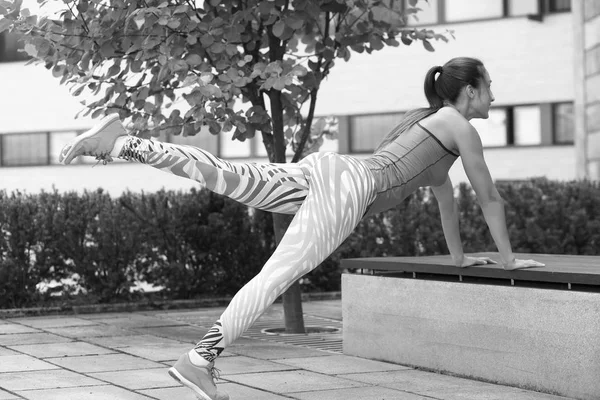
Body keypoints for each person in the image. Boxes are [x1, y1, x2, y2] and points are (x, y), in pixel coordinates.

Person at [59, 56, 545, 400]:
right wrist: (508, 260)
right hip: (349, 191)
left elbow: (447, 201)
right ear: (472, 90)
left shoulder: (430, 126)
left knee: (230, 176)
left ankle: (122, 145)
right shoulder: (461, 126)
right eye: (489, 87)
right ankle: (200, 359)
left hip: (332, 172)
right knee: (277, 274)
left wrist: (461, 259)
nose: (494, 96)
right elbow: (489, 197)